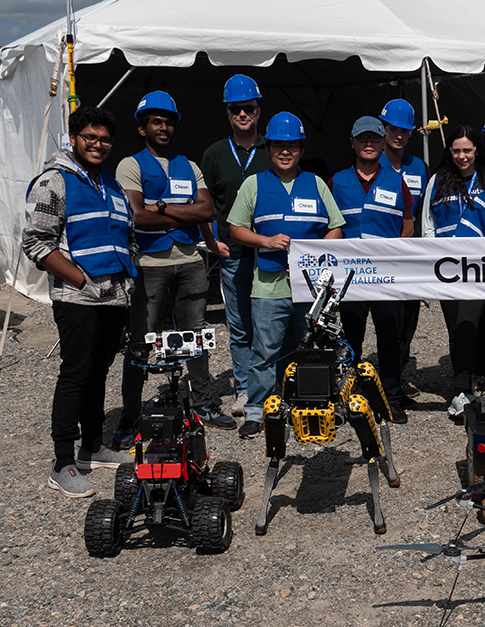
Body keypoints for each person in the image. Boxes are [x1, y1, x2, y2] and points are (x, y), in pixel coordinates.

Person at [23, 106, 136, 497]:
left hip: (114, 299)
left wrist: (126, 280)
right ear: (73, 139)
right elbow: (36, 241)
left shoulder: (110, 184)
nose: (98, 145)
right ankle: (62, 462)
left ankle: (92, 448)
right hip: (78, 299)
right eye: (90, 137)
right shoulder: (54, 182)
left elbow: (126, 235)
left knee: (98, 373)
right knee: (75, 375)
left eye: (105, 139)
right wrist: (80, 280)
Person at [114, 91, 235, 449]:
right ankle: (130, 415)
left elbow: (207, 212)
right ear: (142, 127)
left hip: (190, 261)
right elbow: (136, 215)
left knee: (195, 336)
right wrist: (182, 210)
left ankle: (202, 403)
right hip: (150, 264)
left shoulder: (190, 165)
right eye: (156, 121)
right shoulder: (130, 165)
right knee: (141, 341)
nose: (163, 127)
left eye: (168, 121)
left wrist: (161, 208)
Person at [228, 112, 345, 439]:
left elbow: (336, 227)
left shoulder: (316, 183)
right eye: (278, 145)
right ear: (269, 148)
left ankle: (316, 405)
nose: (285, 151)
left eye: (291, 145)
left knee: (315, 348)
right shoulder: (254, 184)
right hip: (269, 286)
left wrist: (314, 256)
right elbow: (235, 229)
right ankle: (256, 410)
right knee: (264, 352)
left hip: (312, 288)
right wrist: (264, 240)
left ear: (301, 149)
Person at [329, 115, 414, 423]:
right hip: (350, 279)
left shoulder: (396, 180)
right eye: (362, 138)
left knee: (390, 339)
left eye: (374, 139)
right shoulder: (336, 181)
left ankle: (391, 398)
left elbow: (408, 222)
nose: (368, 144)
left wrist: (396, 256)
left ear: (382, 143)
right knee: (350, 340)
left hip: (385, 279)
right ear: (352, 142)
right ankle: (350, 397)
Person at [200, 75, 272, 418]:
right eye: (236, 109)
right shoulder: (214, 154)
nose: (243, 114)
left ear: (258, 111)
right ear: (228, 113)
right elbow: (206, 203)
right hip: (234, 254)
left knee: (271, 321)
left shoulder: (273, 149)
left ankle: (270, 385)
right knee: (240, 324)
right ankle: (244, 388)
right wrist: (212, 241)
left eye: (249, 108)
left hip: (270, 252)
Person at [421, 125, 485, 415]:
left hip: (478, 268)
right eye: (457, 150)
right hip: (445, 267)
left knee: (468, 325)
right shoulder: (438, 180)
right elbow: (428, 223)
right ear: (449, 151)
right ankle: (466, 379)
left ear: (476, 150)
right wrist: (429, 262)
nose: (462, 156)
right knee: (455, 329)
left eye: (467, 150)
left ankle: (462, 391)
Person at [379, 99, 429, 397]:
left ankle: (397, 372)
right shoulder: (374, 163)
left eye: (404, 131)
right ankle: (385, 381)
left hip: (410, 256)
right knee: (387, 319)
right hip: (382, 256)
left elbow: (423, 211)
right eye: (393, 129)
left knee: (409, 318)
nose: (398, 135)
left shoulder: (418, 167)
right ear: (384, 129)